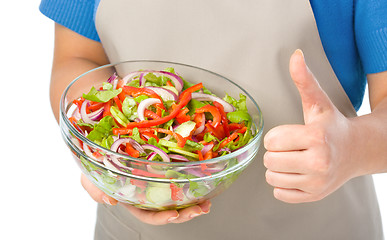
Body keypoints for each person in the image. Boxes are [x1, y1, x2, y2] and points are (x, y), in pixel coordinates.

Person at [40, 0, 387, 239]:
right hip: (136, 230)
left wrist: (349, 149)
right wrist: (104, 156)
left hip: (313, 228)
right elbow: (77, 57)